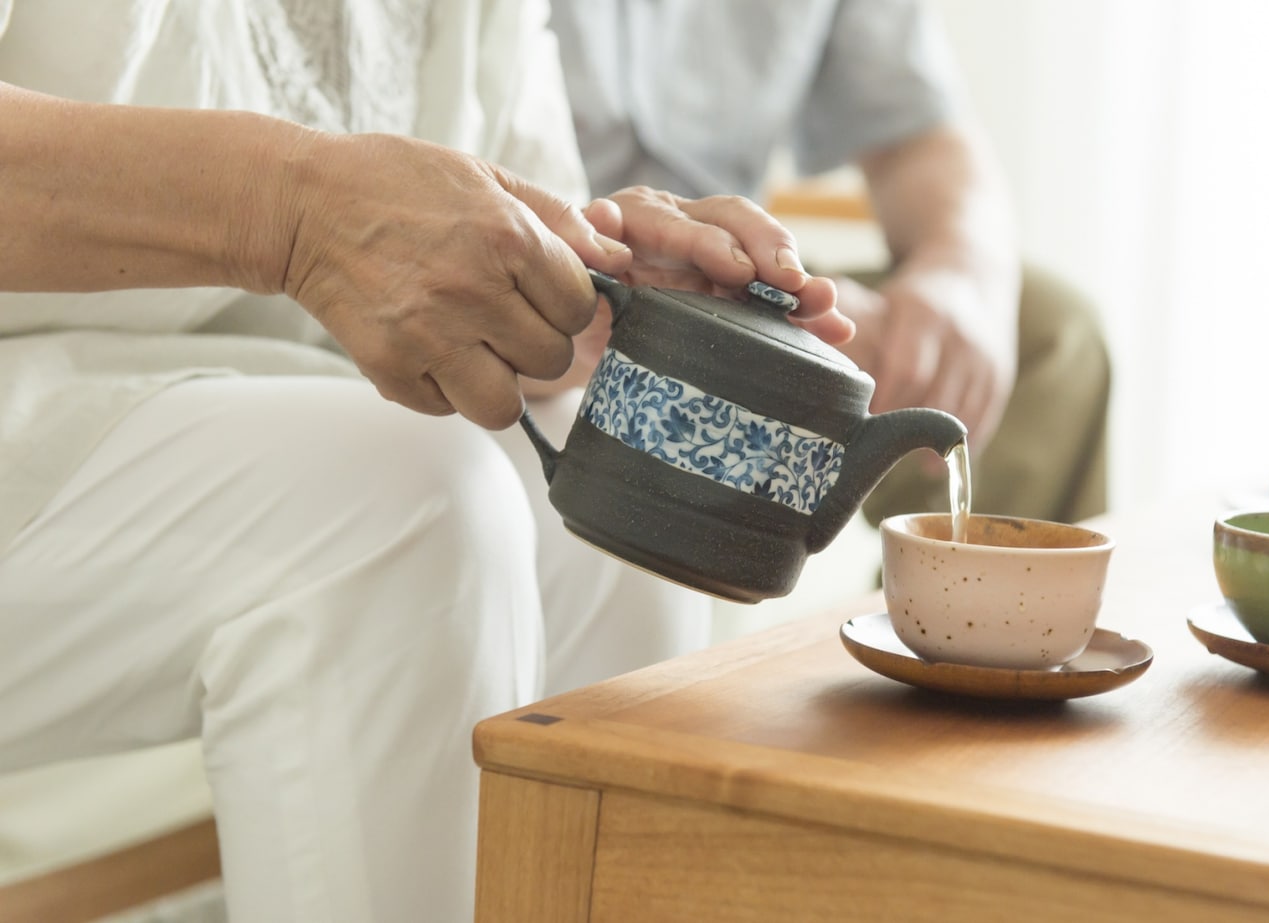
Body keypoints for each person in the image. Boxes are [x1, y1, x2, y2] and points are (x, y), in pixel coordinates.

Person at [0, 1, 849, 920]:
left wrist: (585, 289)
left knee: (619, 518)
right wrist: (289, 208)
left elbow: (506, 209)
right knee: (400, 505)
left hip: (233, 404)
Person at [548, 0, 1111, 528]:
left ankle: (957, 618)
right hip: (551, 258)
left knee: (1053, 336)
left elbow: (917, 136)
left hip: (742, 278)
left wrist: (959, 272)